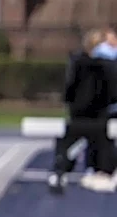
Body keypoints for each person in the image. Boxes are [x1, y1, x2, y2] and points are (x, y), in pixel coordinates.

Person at [50, 29, 117, 194]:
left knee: (71, 144)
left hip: (81, 114)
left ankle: (62, 171)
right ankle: (96, 171)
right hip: (98, 115)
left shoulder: (77, 63)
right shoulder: (106, 66)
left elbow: (69, 89)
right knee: (98, 144)